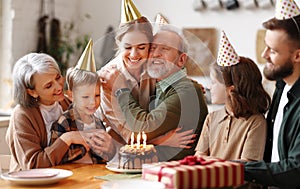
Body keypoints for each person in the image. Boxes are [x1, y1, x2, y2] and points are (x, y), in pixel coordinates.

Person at [100, 25, 208, 161]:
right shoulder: (156, 84)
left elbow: (142, 128)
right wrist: (160, 140)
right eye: (153, 48)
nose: (156, 54)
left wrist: (122, 89)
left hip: (174, 172)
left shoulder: (185, 91)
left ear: (181, 60)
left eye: (165, 48)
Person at [243, 1, 300, 188]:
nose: (264, 54)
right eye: (266, 46)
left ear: (297, 56)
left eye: (273, 51)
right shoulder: (281, 86)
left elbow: (296, 169)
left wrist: (241, 169)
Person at [6, 53, 91, 171]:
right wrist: (67, 139)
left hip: (67, 176)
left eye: (57, 77)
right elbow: (33, 165)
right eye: (49, 86)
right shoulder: (22, 116)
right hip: (31, 184)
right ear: (32, 92)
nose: (59, 87)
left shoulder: (66, 103)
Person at [194, 33, 271, 161]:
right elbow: (199, 158)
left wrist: (212, 161)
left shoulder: (256, 122)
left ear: (230, 89)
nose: (209, 87)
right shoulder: (211, 118)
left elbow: (248, 164)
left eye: (214, 83)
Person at [50, 40, 115, 164]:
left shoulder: (98, 123)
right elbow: (58, 157)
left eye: (97, 95)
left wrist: (108, 148)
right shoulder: (65, 122)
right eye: (85, 97)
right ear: (71, 95)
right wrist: (87, 147)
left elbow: (105, 158)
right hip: (73, 178)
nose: (93, 102)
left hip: (94, 177)